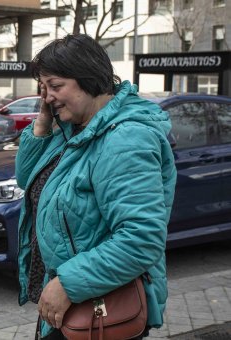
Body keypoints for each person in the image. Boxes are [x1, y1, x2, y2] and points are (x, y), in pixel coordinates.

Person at [14, 34, 177, 339]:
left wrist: (67, 283)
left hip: (99, 308)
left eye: (56, 85)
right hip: (72, 306)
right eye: (44, 88)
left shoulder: (125, 139)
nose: (48, 96)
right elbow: (28, 179)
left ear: (87, 78)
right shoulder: (74, 128)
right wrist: (42, 123)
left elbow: (141, 238)